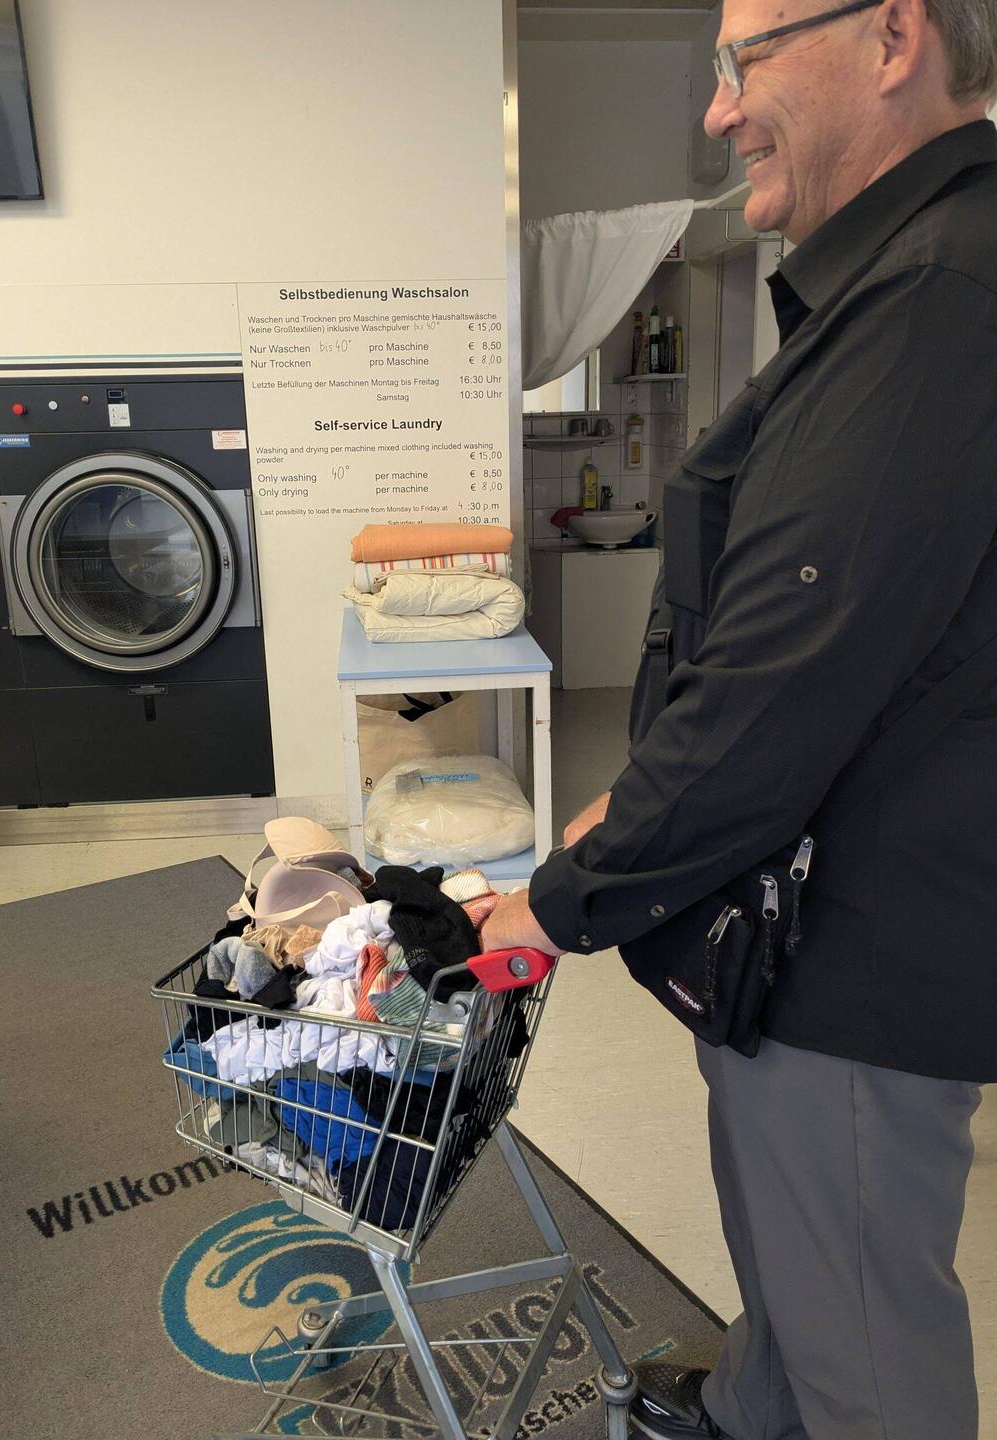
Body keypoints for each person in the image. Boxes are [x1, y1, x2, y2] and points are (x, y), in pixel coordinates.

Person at [482, 0, 997, 1433]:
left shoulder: (936, 301)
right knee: (787, 1244)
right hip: (797, 911)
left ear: (892, 37)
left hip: (857, 943)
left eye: (744, 58)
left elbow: (785, 678)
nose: (717, 111)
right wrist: (631, 803)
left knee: (863, 1328)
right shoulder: (895, 276)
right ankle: (756, 1410)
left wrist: (567, 896)